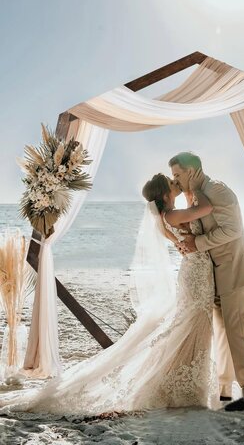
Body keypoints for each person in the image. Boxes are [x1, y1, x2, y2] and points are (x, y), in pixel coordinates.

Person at [0, 173, 220, 416]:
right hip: (196, 273)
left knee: (191, 325)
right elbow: (208, 207)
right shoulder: (172, 215)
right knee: (193, 323)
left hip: (195, 271)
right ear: (166, 195)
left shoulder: (165, 218)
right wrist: (194, 186)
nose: (174, 183)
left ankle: (185, 383)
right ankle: (184, 387)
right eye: (171, 184)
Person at [169, 152, 244, 412]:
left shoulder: (218, 190)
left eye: (177, 174)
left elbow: (233, 231)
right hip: (215, 274)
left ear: (192, 171)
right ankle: (224, 388)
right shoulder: (199, 195)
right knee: (222, 332)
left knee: (237, 332)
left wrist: (196, 244)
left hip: (235, 270)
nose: (175, 180)